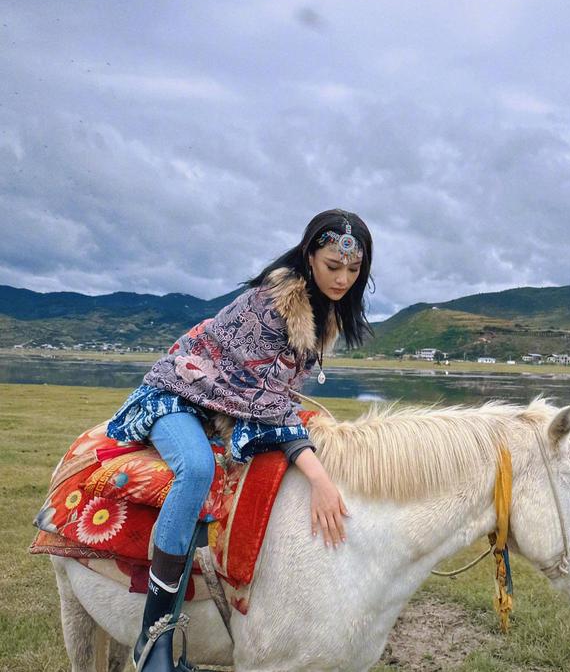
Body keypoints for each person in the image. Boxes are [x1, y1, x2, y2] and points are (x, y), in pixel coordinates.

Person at [105, 208, 373, 671]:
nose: (343, 278)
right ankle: (153, 641)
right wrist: (318, 476)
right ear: (309, 256)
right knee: (196, 471)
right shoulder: (272, 305)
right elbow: (264, 404)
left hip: (226, 408)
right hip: (178, 397)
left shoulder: (321, 313)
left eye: (354, 270)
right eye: (333, 266)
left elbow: (272, 398)